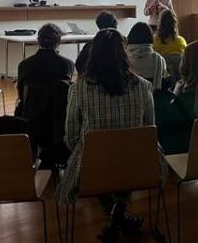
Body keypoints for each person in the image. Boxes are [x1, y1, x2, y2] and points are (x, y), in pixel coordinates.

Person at [57, 28, 155, 240]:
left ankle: (114, 218)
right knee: (125, 158)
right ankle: (118, 215)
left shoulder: (79, 88)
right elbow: (149, 131)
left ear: (93, 54)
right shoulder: (144, 86)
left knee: (89, 160)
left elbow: (72, 136)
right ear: (124, 53)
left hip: (93, 166)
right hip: (137, 163)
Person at [16, 23, 74, 99]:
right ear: (59, 41)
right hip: (59, 109)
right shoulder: (67, 64)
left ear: (38, 41)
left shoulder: (24, 64)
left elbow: (21, 93)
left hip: (31, 109)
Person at [126, 22, 168, 90]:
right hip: (154, 97)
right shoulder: (160, 59)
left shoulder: (123, 59)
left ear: (130, 37)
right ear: (151, 38)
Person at [153, 9, 187, 84]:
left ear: (160, 23)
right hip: (180, 83)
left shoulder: (154, 41)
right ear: (175, 24)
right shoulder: (181, 42)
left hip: (161, 83)